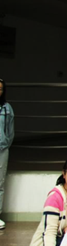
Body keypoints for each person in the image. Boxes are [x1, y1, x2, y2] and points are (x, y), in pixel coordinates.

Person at [0, 78, 15, 230]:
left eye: (0, 89)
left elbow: (10, 131)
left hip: (2, 149)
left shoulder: (7, 108)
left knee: (0, 183)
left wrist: (5, 144)